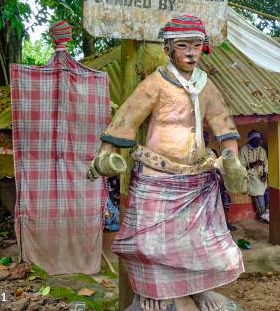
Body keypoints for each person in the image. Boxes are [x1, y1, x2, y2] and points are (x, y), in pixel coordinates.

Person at [91, 15, 244, 311]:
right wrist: (106, 152)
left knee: (199, 242)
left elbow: (224, 124)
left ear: (204, 48)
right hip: (156, 176)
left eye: (196, 45)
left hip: (198, 179)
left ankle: (201, 290)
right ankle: (152, 292)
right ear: (169, 49)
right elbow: (126, 119)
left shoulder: (205, 85)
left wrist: (231, 158)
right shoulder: (155, 84)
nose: (190, 53)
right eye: (183, 46)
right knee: (151, 243)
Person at [205, 130, 236, 231]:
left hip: (216, 182)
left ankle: (226, 223)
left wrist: (221, 179)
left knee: (224, 203)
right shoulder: (196, 152)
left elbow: (218, 166)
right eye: (204, 139)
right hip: (204, 185)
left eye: (206, 139)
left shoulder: (211, 151)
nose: (205, 141)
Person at [239, 129, 270, 223]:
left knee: (267, 192)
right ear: (251, 140)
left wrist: (264, 175)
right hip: (249, 176)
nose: (259, 142)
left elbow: (266, 164)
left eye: (259, 140)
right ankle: (263, 214)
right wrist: (254, 164)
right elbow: (241, 168)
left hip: (261, 175)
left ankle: (266, 213)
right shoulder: (243, 150)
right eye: (256, 140)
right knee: (258, 191)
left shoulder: (262, 150)